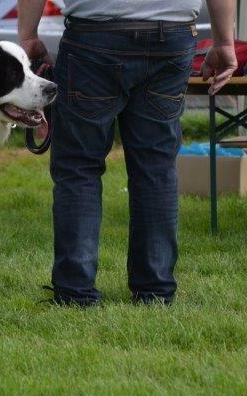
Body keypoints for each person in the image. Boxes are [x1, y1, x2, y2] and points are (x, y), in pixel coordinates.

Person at [18, 0, 238, 305]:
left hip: (93, 35)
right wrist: (224, 41)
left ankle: (75, 291)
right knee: (156, 168)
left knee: (78, 168)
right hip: (171, 35)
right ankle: (155, 290)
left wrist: (28, 35)